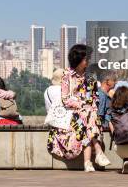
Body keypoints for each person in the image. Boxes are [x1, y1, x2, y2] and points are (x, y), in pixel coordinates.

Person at [47, 44, 111, 172]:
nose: (88, 61)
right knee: (87, 114)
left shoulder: (90, 77)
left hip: (85, 116)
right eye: (86, 59)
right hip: (71, 114)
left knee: (88, 115)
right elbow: (66, 99)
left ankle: (88, 163)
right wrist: (82, 105)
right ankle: (97, 151)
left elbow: (95, 97)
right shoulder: (67, 75)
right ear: (78, 59)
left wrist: (89, 106)